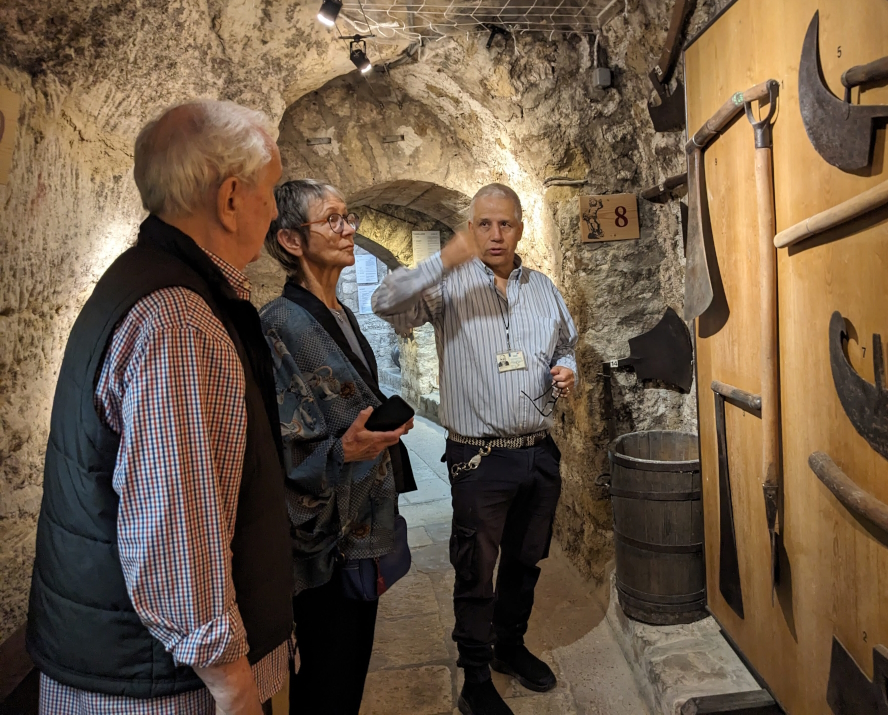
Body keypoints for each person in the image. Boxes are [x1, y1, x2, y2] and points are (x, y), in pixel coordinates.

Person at [26, 100, 294, 715]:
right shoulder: (178, 319)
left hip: (128, 661)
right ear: (230, 198)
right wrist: (231, 682)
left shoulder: (143, 279)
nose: (275, 208)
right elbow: (176, 523)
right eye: (271, 189)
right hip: (164, 685)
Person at [372, 183, 578, 715]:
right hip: (479, 458)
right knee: (475, 568)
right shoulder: (449, 286)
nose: (494, 234)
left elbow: (566, 344)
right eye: (483, 224)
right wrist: (446, 257)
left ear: (520, 227)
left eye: (504, 224)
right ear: (470, 227)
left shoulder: (542, 287)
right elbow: (384, 301)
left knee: (526, 562)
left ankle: (509, 647)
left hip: (538, 451)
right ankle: (475, 676)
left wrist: (568, 369)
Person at [259, 179, 417, 715]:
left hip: (359, 523)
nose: (349, 229)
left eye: (348, 218)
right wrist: (343, 452)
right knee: (326, 679)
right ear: (291, 241)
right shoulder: (278, 323)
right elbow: (280, 441)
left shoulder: (343, 313)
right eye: (333, 220)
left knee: (348, 671)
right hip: (323, 539)